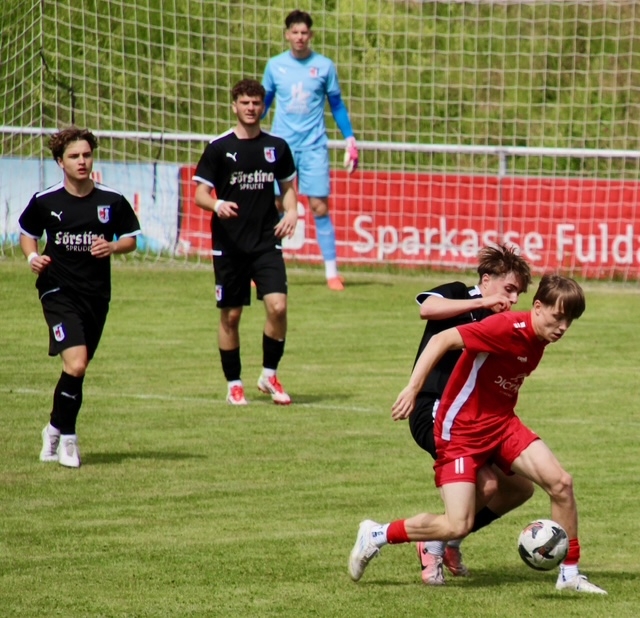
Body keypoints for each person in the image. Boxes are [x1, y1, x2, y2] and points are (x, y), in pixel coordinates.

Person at [349, 275, 607, 594]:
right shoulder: (505, 328)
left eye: (569, 321)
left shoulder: (540, 338)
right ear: (538, 307)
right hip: (461, 432)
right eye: (558, 317)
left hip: (501, 425)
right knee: (456, 523)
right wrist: (413, 388)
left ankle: (569, 575)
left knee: (561, 483)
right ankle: (376, 534)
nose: (563, 327)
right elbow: (441, 339)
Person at [408, 245, 535, 585]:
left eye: (518, 295)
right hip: (434, 410)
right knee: (488, 483)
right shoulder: (458, 294)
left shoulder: (501, 322)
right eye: (509, 289)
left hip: (473, 419)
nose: (512, 299)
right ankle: (433, 543)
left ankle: (450, 540)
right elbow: (427, 309)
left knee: (520, 488)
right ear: (486, 279)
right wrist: (481, 304)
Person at [18, 126, 141, 468]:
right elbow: (27, 233)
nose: (82, 161)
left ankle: (54, 428)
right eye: (74, 156)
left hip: (96, 295)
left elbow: (131, 238)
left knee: (76, 370)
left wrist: (112, 246)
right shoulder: (46, 201)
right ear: (60, 162)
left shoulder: (111, 200)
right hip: (57, 290)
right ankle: (69, 441)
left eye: (87, 154)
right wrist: (32, 257)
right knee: (76, 363)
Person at [193, 78, 298, 406]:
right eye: (245, 103)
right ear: (234, 106)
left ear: (263, 107)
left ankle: (269, 375)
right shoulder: (219, 147)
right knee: (231, 316)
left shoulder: (277, 147)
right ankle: (234, 384)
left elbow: (288, 189)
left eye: (256, 103)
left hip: (266, 240)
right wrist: (217, 205)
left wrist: (293, 212)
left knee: (278, 306)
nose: (251, 108)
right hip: (229, 244)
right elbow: (200, 194)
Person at [261, 9, 358, 291]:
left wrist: (350, 138)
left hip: (314, 146)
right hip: (282, 147)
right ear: (287, 35)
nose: (300, 37)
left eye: (304, 32)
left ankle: (331, 273)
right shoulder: (275, 66)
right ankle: (267, 268)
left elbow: (336, 105)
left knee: (319, 206)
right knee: (277, 205)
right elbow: (262, 104)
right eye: (295, 32)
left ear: (310, 35)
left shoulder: (324, 66)